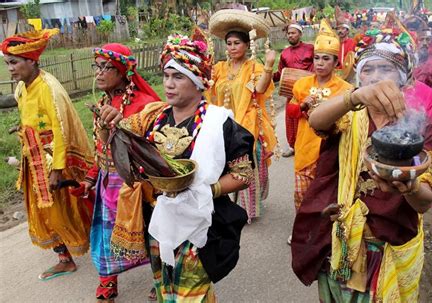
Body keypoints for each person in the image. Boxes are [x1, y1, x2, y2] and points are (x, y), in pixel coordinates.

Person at [96, 32, 254, 302]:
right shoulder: (151, 117)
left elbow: (243, 174)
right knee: (165, 291)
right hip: (158, 222)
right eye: (167, 76)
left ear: (198, 82)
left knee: (192, 295)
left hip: (201, 225)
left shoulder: (220, 124)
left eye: (178, 77)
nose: (169, 84)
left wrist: (205, 189)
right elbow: (118, 151)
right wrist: (106, 127)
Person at [291, 25, 432, 302]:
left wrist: (408, 188)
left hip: (386, 245)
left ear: (402, 78)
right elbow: (315, 121)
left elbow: (424, 202)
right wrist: (354, 98)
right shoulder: (349, 114)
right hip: (341, 237)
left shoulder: (418, 127)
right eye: (367, 69)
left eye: (384, 68)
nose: (375, 77)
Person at [1, 29, 93, 280]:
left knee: (65, 209)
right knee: (41, 210)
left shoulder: (49, 88)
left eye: (14, 62)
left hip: (53, 161)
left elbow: (62, 130)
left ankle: (100, 250)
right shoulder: (22, 87)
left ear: (31, 60)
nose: (10, 68)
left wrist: (57, 169)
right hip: (32, 158)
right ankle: (64, 257)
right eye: (7, 63)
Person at [83, 43, 160, 302]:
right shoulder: (104, 102)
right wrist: (92, 175)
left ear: (123, 72)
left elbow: (154, 149)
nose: (99, 73)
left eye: (106, 67)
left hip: (134, 182)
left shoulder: (145, 104)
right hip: (108, 180)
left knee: (148, 230)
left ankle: (160, 278)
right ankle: (107, 280)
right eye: (97, 66)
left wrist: (123, 124)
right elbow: (100, 145)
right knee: (105, 233)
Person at [286, 19, 352, 244]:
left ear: (336, 62)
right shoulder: (302, 85)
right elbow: (292, 111)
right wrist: (304, 105)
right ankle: (302, 231)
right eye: (317, 58)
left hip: (330, 153)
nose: (320, 63)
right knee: (301, 196)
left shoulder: (345, 90)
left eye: (326, 58)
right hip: (305, 148)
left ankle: (323, 236)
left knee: (325, 196)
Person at [208, 10, 278, 221]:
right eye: (229, 43)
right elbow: (208, 89)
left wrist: (268, 66)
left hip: (248, 124)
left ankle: (248, 210)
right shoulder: (219, 67)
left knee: (247, 165)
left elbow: (259, 88)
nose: (232, 48)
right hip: (223, 125)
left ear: (247, 45)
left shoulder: (253, 67)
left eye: (236, 43)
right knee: (222, 165)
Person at [273, 23, 315, 158]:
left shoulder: (310, 48)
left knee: (309, 118)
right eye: (289, 33)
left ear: (300, 34)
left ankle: (310, 146)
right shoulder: (284, 53)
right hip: (291, 92)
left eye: (293, 33)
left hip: (309, 91)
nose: (290, 35)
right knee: (291, 119)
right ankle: (293, 146)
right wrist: (268, 75)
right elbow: (281, 73)